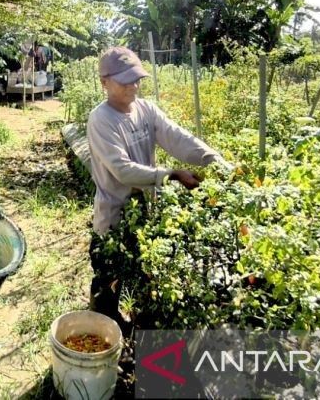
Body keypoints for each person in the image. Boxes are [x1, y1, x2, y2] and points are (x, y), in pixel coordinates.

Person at [85, 46, 231, 327]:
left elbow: (177, 138)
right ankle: (102, 333)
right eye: (125, 80)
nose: (134, 85)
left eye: (137, 78)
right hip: (114, 215)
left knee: (144, 276)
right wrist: (172, 174)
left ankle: (135, 334)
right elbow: (122, 170)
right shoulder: (101, 119)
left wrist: (214, 161)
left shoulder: (145, 110)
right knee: (107, 280)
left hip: (146, 211)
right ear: (104, 82)